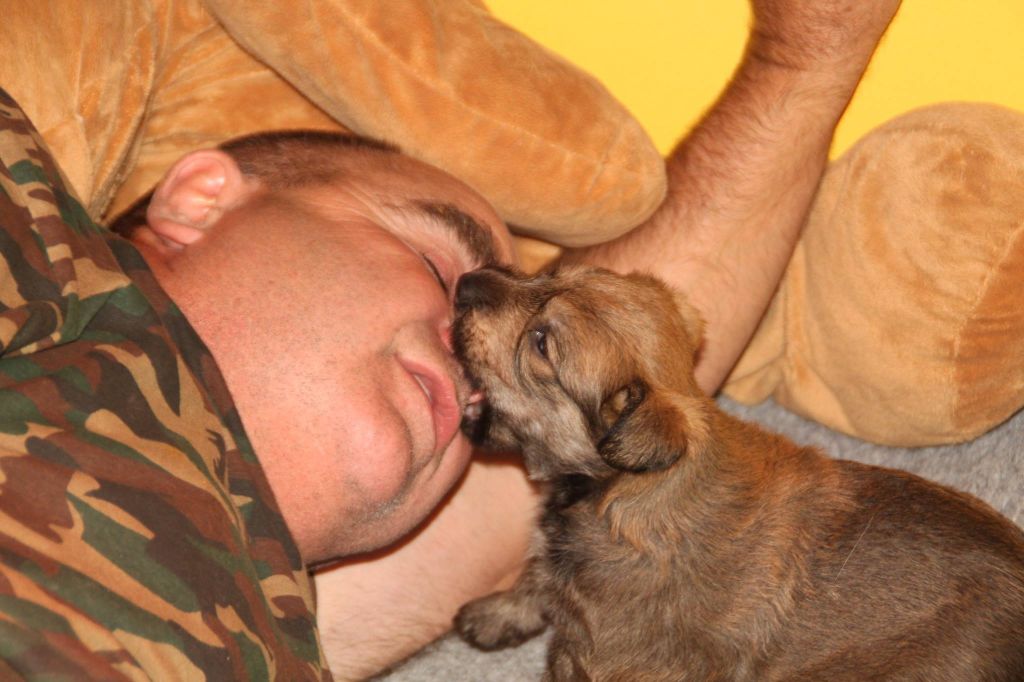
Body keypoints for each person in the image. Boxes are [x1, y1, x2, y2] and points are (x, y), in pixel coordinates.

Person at [0, 0, 901, 678]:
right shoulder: (35, 249)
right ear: (203, 200)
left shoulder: (269, 609)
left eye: (491, 406)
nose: (481, 381)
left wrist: (808, 57)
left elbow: (600, 422)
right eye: (442, 271)